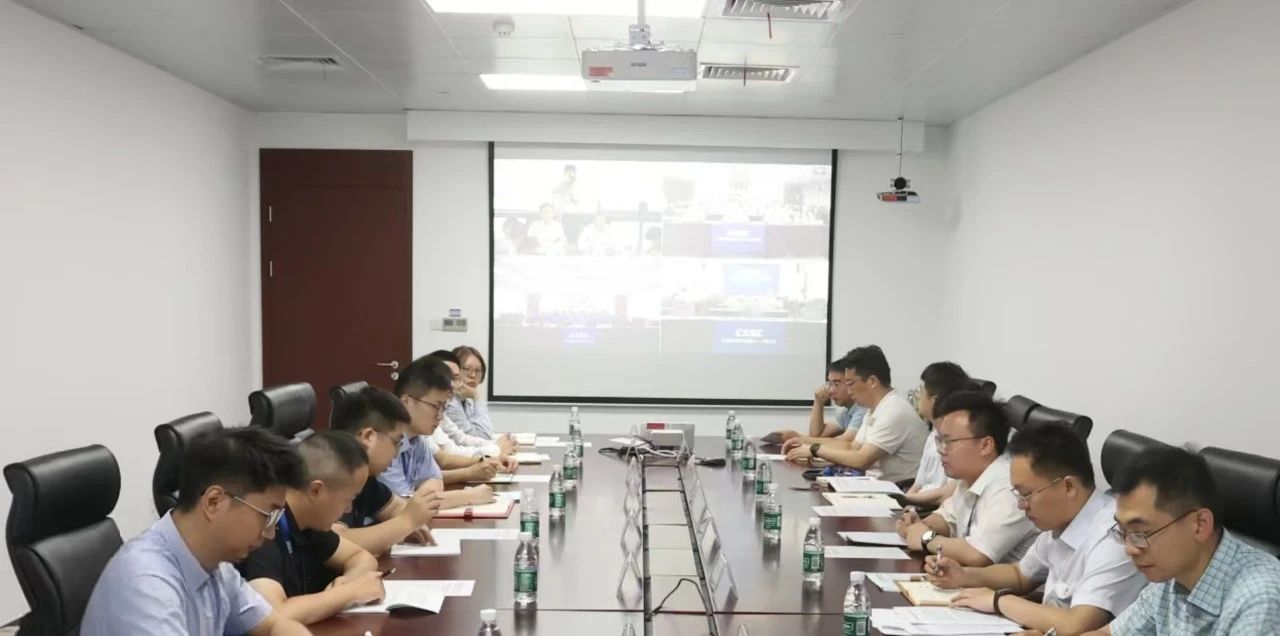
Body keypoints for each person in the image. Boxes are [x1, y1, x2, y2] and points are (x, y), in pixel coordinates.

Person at [81, 428, 311, 635]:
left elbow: (275, 625)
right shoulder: (145, 585)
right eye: (267, 516)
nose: (270, 534)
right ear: (213, 502)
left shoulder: (217, 566)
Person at [927, 424, 1145, 634]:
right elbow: (1020, 575)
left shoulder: (1114, 537)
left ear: (1068, 486)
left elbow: (1076, 625)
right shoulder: (1060, 520)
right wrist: (964, 575)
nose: (1021, 505)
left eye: (1026, 494)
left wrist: (998, 601)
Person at [1081, 447, 1280, 636]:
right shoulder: (1170, 575)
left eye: (1140, 533)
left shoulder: (1259, 599)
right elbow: (1108, 633)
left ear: (1200, 525)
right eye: (1123, 532)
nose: (1130, 549)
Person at [237, 431, 384, 625]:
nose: (349, 509)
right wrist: (349, 593)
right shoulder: (265, 528)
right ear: (316, 490)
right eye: (349, 499)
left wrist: (346, 583)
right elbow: (274, 615)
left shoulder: (310, 522)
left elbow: (362, 557)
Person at [895, 391, 1037, 566]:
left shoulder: (1009, 488)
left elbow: (976, 554)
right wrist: (917, 525)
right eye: (940, 440)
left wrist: (925, 537)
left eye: (949, 441)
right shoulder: (970, 477)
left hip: (1002, 582)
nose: (941, 449)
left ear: (985, 445)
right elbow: (948, 519)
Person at [782, 345, 927, 485]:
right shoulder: (875, 409)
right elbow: (852, 447)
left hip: (898, 493)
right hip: (876, 486)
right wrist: (808, 444)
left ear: (872, 381)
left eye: (850, 384)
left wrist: (815, 449)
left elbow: (861, 460)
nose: (849, 391)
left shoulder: (894, 410)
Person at [329, 386, 442, 556]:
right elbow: (336, 542)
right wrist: (406, 522)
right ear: (368, 437)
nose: (397, 453)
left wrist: (408, 523)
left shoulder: (366, 476)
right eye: (396, 442)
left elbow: (395, 507)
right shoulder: (331, 473)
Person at [379, 354, 496, 508]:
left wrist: (418, 500)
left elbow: (435, 480)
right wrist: (468, 496)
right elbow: (401, 506)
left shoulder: (417, 439)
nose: (440, 416)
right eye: (436, 406)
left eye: (444, 407)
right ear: (406, 401)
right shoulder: (384, 441)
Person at [902, 362, 972, 508]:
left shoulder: (959, 440)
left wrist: (905, 500)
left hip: (934, 509)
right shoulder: (933, 433)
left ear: (935, 400)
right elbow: (918, 483)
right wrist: (905, 505)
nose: (917, 397)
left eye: (921, 391)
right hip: (917, 506)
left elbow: (946, 494)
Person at [771, 356, 867, 443]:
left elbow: (845, 441)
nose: (831, 390)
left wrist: (798, 437)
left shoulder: (863, 409)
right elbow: (816, 435)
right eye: (830, 384)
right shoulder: (844, 412)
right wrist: (818, 402)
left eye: (836, 384)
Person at [451, 344, 499, 439]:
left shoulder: (467, 401)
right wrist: (477, 397)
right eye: (467, 369)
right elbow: (483, 437)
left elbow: (487, 433)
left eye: (478, 370)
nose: (473, 375)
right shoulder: (450, 404)